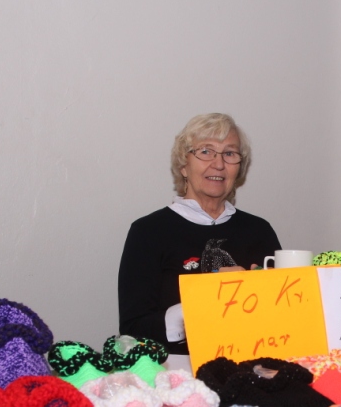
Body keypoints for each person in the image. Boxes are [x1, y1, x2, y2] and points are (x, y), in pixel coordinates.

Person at [118, 113, 281, 355]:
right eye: (205, 151)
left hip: (250, 365)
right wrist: (205, 301)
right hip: (177, 370)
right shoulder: (148, 232)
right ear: (183, 166)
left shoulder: (259, 230)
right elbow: (132, 331)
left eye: (229, 153)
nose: (219, 164)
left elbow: (280, 320)